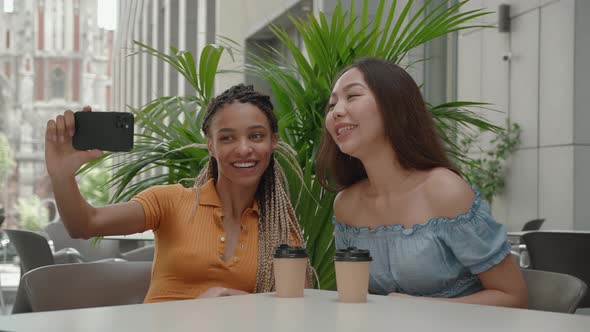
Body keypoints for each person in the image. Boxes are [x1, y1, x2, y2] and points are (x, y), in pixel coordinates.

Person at [45, 84, 306, 302]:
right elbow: (84, 224)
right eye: (227, 138)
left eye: (256, 136)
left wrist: (234, 299)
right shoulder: (170, 202)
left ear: (273, 142)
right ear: (211, 146)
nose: (243, 149)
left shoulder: (282, 233)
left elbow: (293, 313)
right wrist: (61, 174)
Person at [316, 57, 528, 308]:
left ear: (394, 106)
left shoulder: (444, 190)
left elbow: (513, 296)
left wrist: (423, 308)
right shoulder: (347, 205)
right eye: (332, 104)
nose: (336, 111)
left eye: (352, 96)